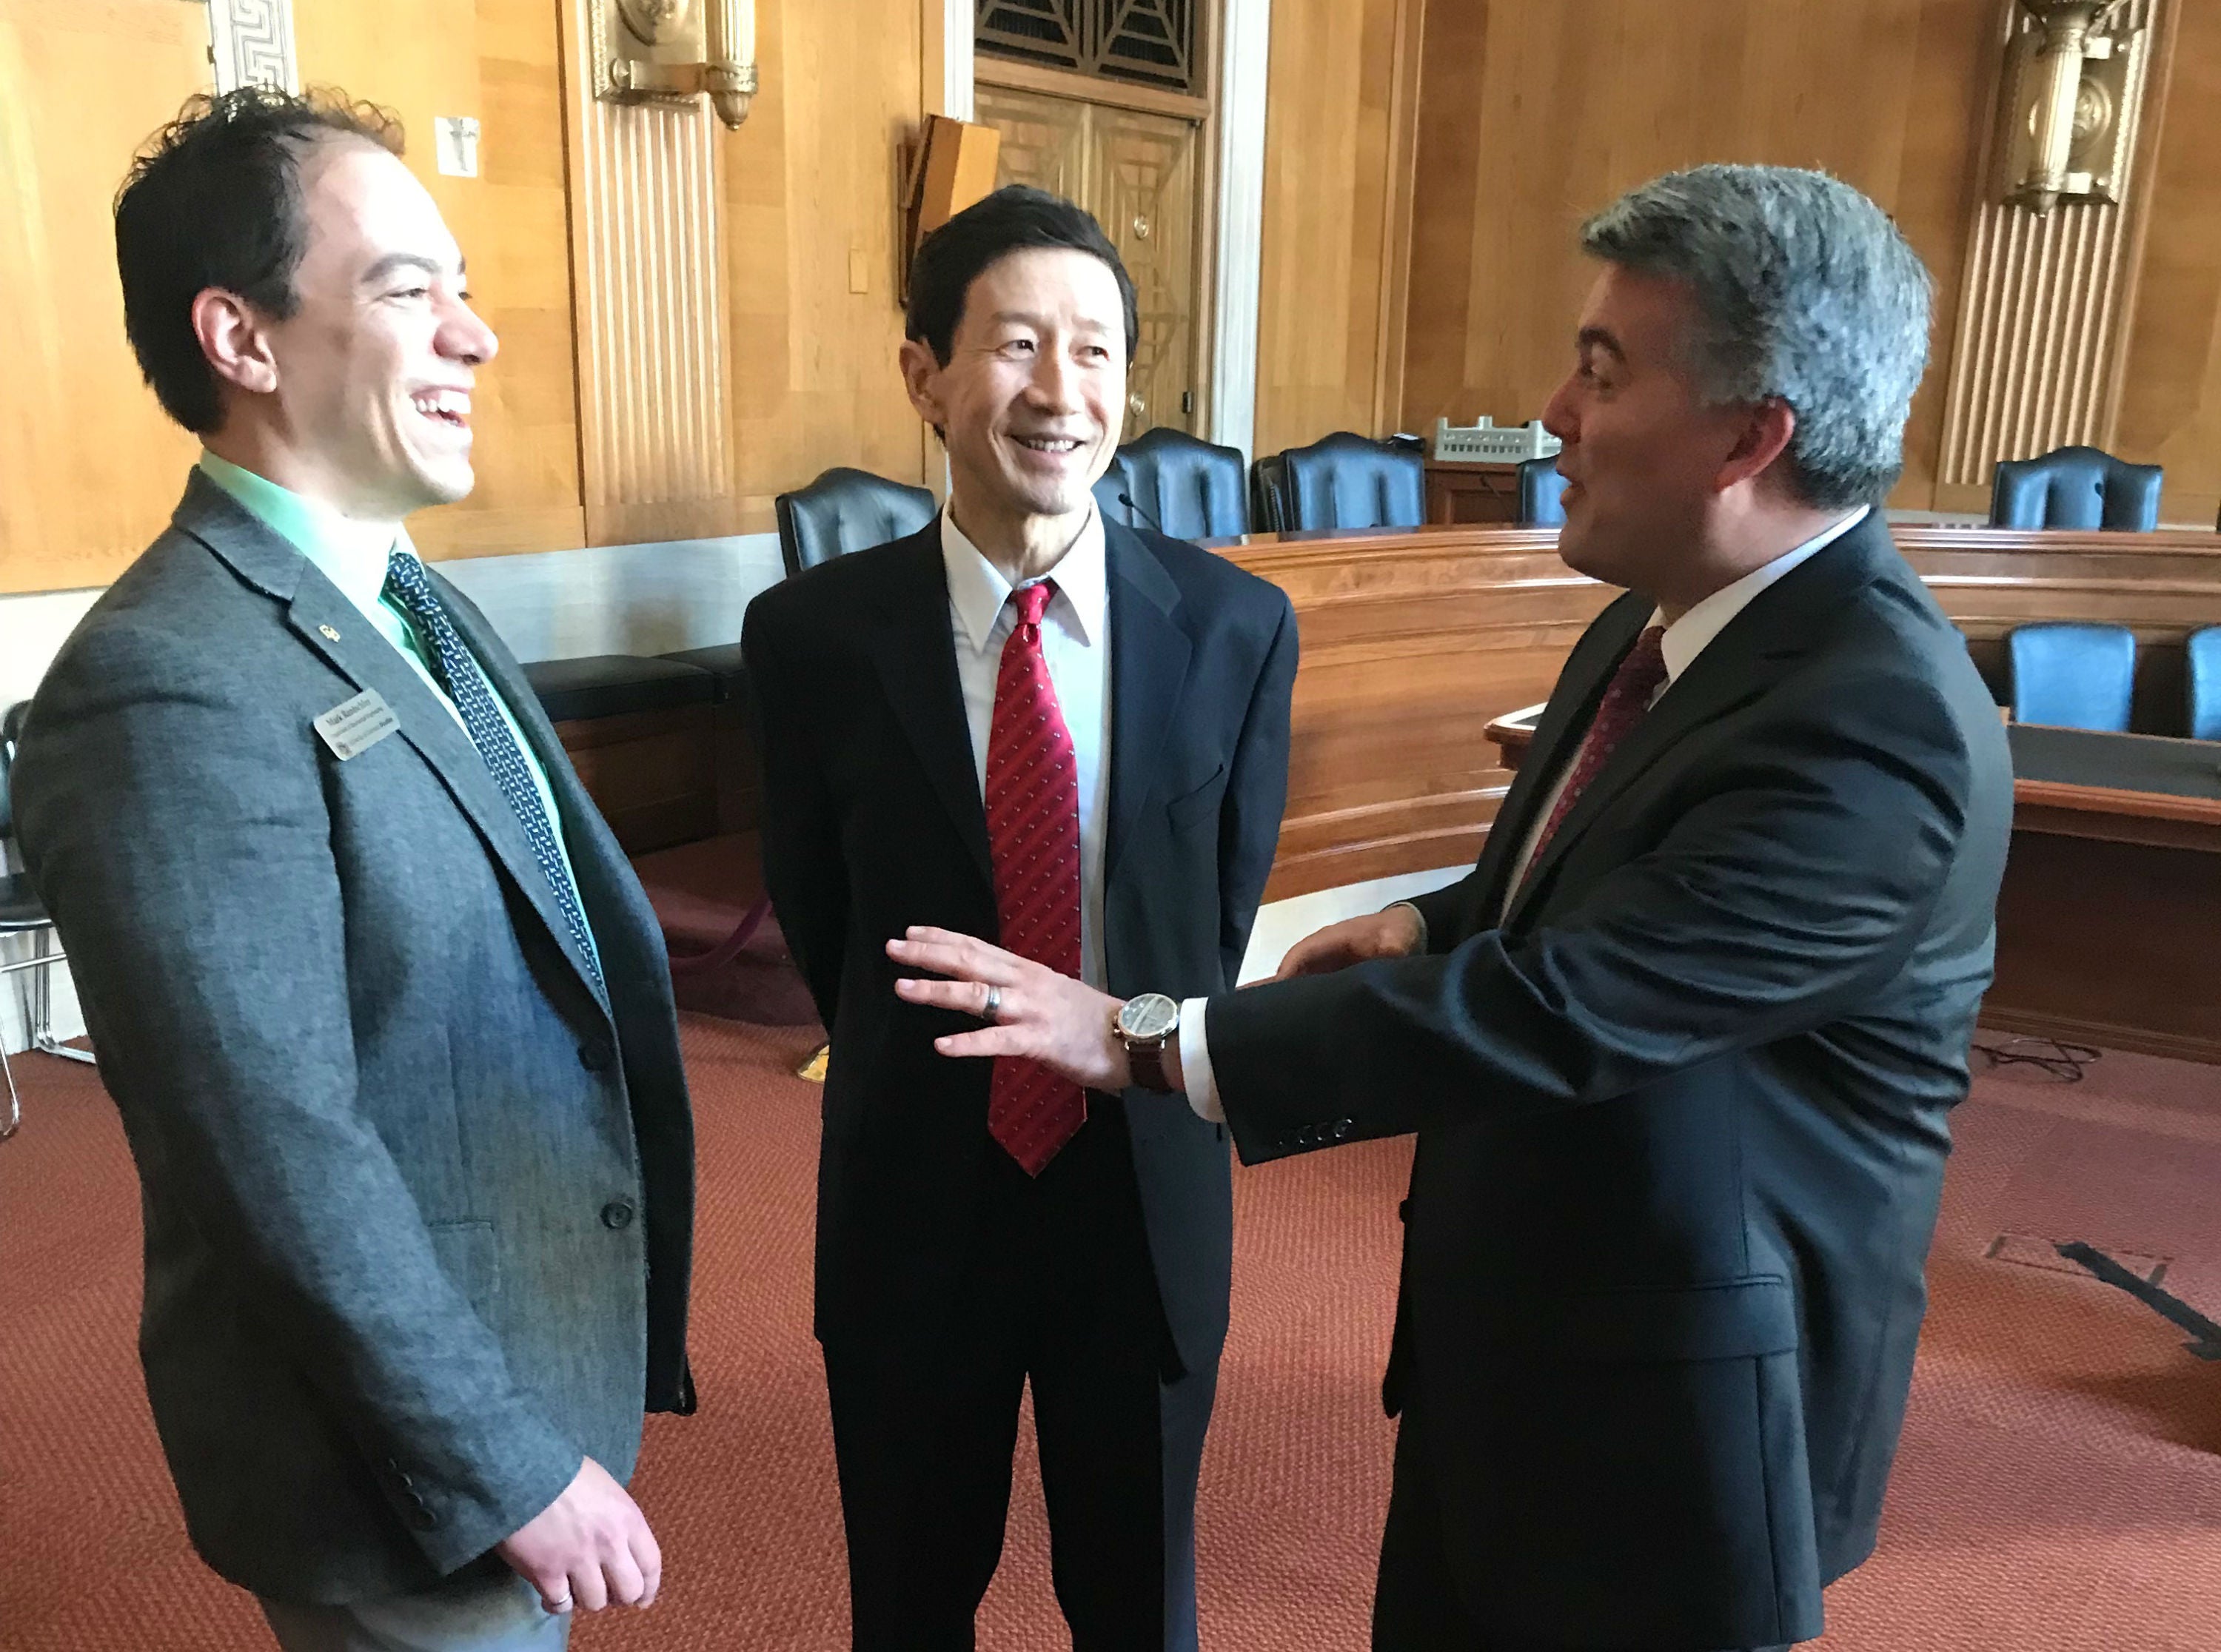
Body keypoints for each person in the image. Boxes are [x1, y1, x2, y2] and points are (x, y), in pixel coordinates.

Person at [887, 164, 2014, 1651]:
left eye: (1603, 372)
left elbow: (1566, 1002)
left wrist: (1151, 1039)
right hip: (1526, 1354)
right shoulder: (1660, 615)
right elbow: (1579, 870)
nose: (1551, 409)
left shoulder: (1879, 728)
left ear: (1751, 435)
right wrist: (1433, 917)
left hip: (1675, 1427)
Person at [12, 87, 695, 1651]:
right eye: (407, 289)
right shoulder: (168, 682)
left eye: (459, 287)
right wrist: (507, 1463)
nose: (475, 336)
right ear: (242, 341)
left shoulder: (400, 596)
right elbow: (272, 1149)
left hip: (502, 1356)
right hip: (398, 1471)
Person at [743, 184, 1297, 1651]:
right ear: (923, 373)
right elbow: (825, 925)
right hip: (917, 1194)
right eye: (1017, 345)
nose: (1063, 392)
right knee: (911, 1605)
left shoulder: (1237, 632)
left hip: (1143, 1192)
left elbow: (1217, 918)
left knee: (1138, 1605)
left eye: (1100, 350)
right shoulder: (808, 641)